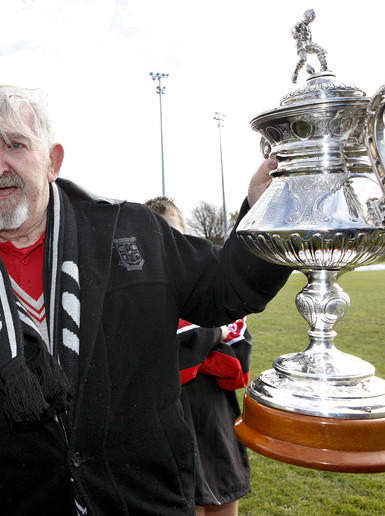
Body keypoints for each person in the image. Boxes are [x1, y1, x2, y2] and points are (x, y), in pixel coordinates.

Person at [0, 85, 290, 516]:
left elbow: (228, 288)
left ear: (52, 161)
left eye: (15, 144)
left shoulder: (132, 231)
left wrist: (266, 210)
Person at [145, 196, 252, 516]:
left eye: (176, 235)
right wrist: (213, 334)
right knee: (178, 501)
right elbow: (160, 364)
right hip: (168, 425)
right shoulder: (140, 295)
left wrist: (197, 345)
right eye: (158, 237)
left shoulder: (211, 292)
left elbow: (237, 366)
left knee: (224, 494)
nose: (169, 245)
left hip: (216, 417)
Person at [290, 8, 328, 83]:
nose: (314, 17)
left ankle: (324, 68)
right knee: (303, 59)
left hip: (308, 44)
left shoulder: (308, 28)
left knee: (320, 50)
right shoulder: (300, 24)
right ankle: (295, 73)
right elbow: (292, 30)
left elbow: (310, 39)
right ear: (307, 16)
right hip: (301, 44)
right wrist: (295, 34)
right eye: (312, 15)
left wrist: (316, 46)